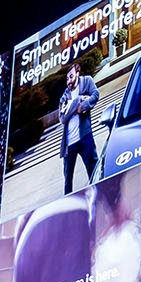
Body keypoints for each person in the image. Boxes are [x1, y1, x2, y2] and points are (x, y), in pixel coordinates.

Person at [58, 62, 99, 194]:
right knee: (67, 179)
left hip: (85, 136)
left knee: (93, 169)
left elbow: (95, 95)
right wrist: (78, 100)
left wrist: (83, 105)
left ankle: (98, 194)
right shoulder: (65, 94)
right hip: (69, 144)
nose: (69, 80)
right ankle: (67, 201)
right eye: (67, 78)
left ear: (77, 73)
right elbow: (62, 118)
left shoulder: (87, 81)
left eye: (71, 76)